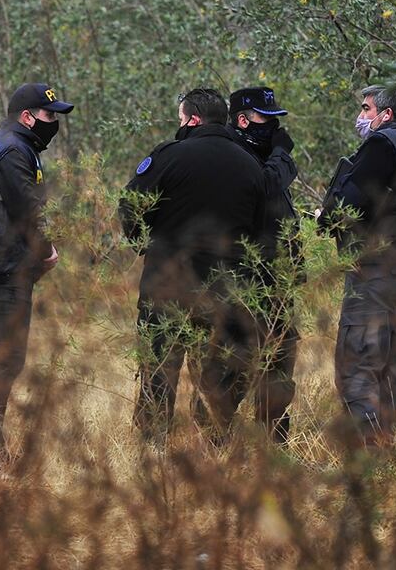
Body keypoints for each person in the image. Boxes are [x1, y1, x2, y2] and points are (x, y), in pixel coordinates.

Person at [120, 88, 277, 443]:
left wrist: (142, 243)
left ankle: (152, 448)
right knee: (219, 373)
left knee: (159, 367)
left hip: (168, 284)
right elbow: (263, 231)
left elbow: (130, 206)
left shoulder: (170, 156)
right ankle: (213, 447)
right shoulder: (252, 165)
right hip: (227, 288)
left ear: (191, 120)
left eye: (180, 119)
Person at [0, 82, 73, 466]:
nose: (53, 122)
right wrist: (46, 248)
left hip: (3, 267)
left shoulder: (11, 143)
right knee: (3, 361)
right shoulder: (11, 150)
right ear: (27, 117)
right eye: (48, 115)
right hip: (0, 270)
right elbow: (26, 210)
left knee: (3, 359)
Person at [318, 84, 396, 445]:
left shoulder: (383, 143)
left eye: (367, 109)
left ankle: (372, 456)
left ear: (386, 115)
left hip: (379, 268)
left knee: (358, 366)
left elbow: (353, 203)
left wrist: (330, 216)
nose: (362, 116)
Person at [205, 86, 301, 443]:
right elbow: (265, 187)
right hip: (242, 282)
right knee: (233, 365)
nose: (275, 129)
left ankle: (273, 444)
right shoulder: (234, 156)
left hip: (275, 283)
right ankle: (214, 442)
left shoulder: (262, 155)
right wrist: (283, 156)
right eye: (267, 119)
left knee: (278, 365)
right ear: (243, 120)